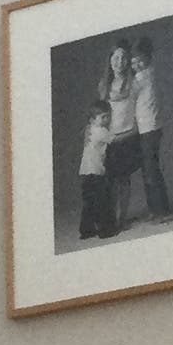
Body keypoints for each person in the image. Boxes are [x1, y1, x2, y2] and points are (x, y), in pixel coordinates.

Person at [129, 34, 173, 222]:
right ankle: (156, 209)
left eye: (140, 61)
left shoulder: (143, 76)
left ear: (149, 58)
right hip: (150, 128)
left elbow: (127, 92)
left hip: (149, 129)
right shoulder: (151, 72)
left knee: (151, 170)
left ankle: (162, 212)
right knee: (150, 169)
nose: (136, 66)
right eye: (133, 63)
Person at [101, 44, 144, 228]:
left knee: (123, 179)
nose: (120, 62)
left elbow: (138, 114)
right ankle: (111, 218)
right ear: (110, 61)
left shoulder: (134, 83)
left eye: (124, 58)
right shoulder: (103, 85)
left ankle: (122, 218)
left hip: (128, 136)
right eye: (116, 57)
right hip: (110, 138)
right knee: (109, 180)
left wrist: (129, 132)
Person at [76, 98, 116, 239]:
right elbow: (115, 140)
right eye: (103, 117)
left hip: (85, 172)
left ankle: (86, 231)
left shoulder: (90, 129)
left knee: (89, 203)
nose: (106, 119)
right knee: (102, 201)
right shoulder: (101, 131)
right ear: (93, 119)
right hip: (96, 172)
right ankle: (106, 230)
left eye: (108, 116)